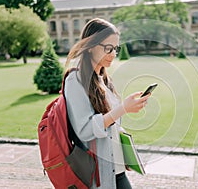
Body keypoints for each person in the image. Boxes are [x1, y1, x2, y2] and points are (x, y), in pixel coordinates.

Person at [64, 18, 150, 189]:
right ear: (90, 46)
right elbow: (85, 130)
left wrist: (123, 150)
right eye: (108, 48)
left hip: (116, 170)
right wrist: (122, 109)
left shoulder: (103, 80)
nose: (113, 54)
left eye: (115, 48)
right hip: (98, 175)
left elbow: (111, 124)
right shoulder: (75, 80)